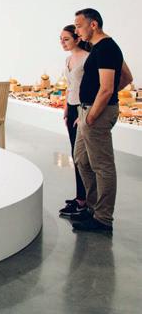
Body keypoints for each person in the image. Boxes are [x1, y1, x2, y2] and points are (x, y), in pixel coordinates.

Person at [70, 8, 133, 232]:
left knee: (102, 166)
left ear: (93, 25)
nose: (77, 31)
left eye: (79, 26)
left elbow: (107, 88)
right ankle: (92, 207)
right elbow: (126, 77)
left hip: (97, 114)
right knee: (81, 159)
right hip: (88, 111)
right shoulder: (98, 48)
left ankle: (103, 218)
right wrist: (85, 113)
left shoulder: (107, 48)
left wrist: (92, 116)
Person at [58, 25, 89, 217]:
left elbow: (92, 87)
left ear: (77, 39)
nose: (62, 42)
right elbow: (70, 86)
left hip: (82, 108)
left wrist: (82, 112)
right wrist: (66, 108)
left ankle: (84, 200)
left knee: (82, 157)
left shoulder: (87, 58)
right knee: (75, 154)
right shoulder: (68, 59)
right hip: (71, 108)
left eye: (66, 39)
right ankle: (80, 197)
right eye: (60, 39)